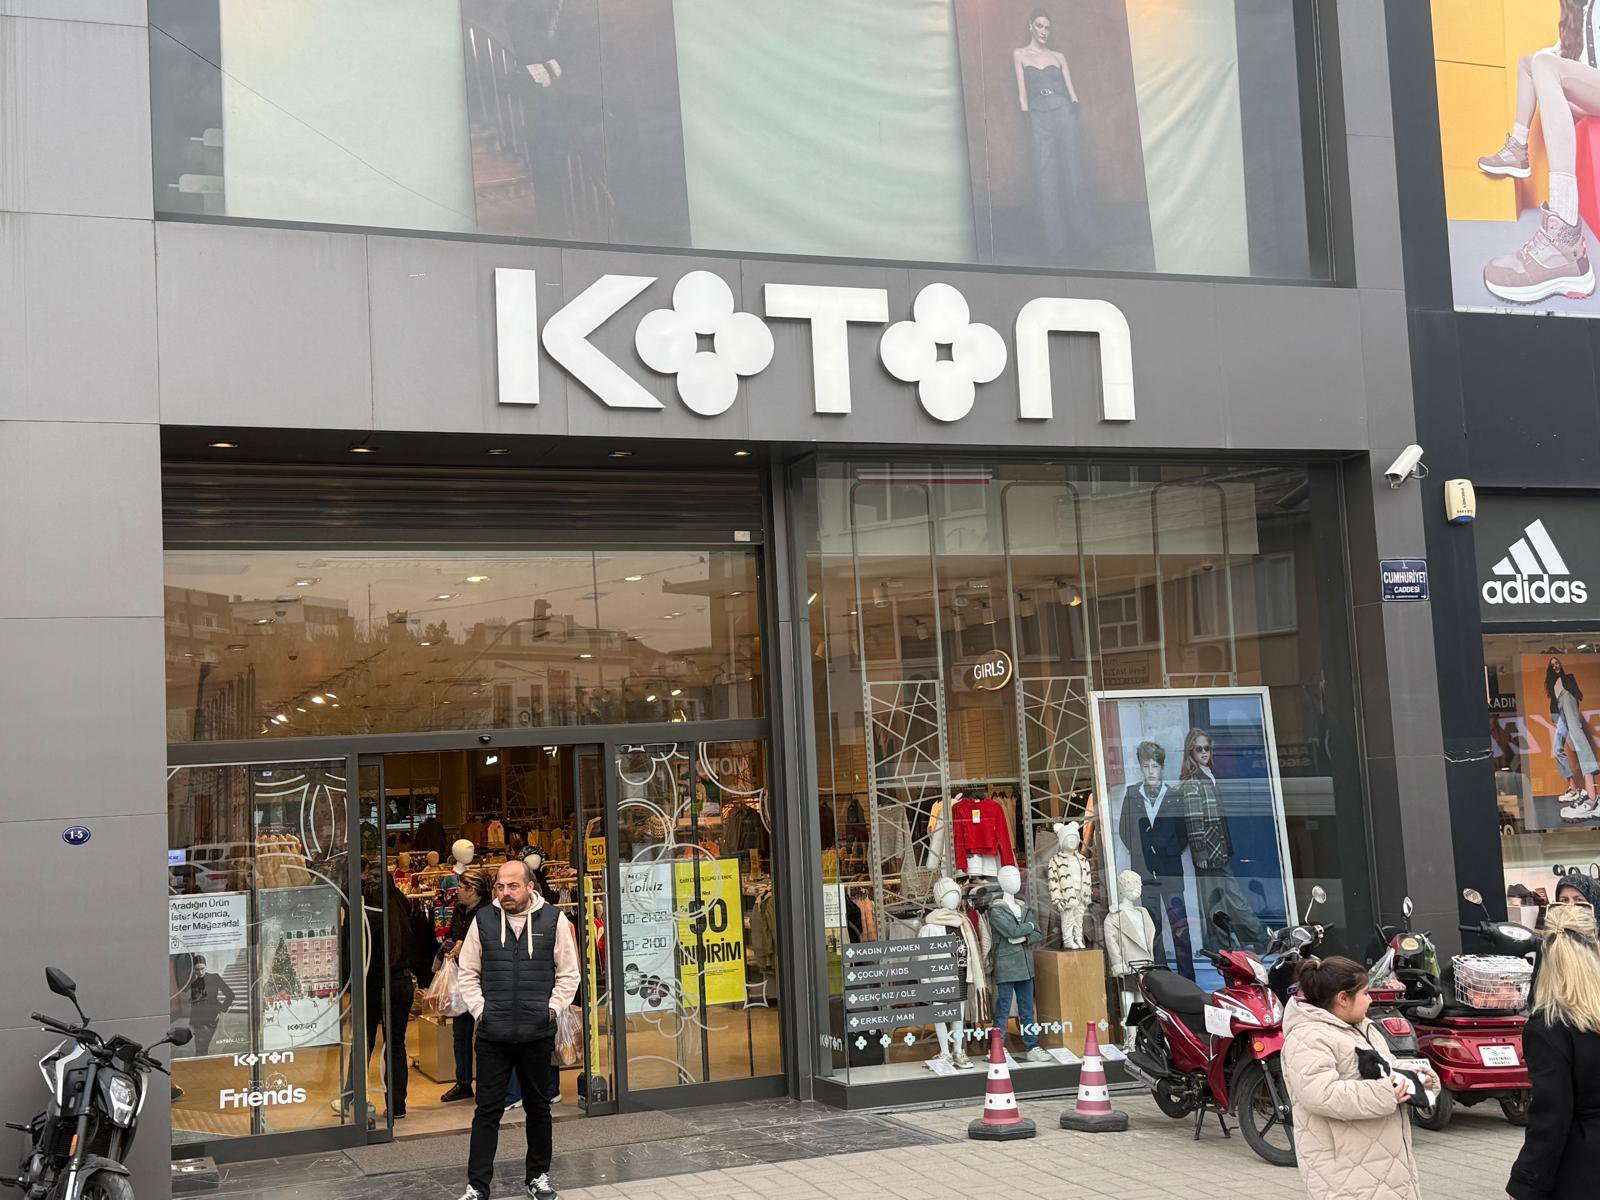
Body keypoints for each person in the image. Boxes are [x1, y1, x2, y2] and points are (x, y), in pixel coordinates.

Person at [456, 858, 579, 1200]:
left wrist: (551, 1010)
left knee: (538, 1108)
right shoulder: (483, 920)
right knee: (486, 1112)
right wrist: (481, 1012)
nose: (505, 892)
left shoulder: (554, 920)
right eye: (500, 886)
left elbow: (569, 973)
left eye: (513, 886)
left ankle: (538, 1176)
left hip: (536, 1033)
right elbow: (467, 971)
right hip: (493, 1035)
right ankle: (477, 1186)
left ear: (530, 887)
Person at [1477, 2, 1600, 303]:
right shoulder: (1580, 12)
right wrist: (1544, 63)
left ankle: (1564, 232)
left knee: (1544, 65)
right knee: (1529, 63)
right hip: (1591, 92)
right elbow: (1555, 58)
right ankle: (1518, 148)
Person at [1282, 955, 1430, 1200]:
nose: (1370, 1000)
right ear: (1343, 998)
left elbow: (1387, 1066)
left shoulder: (1361, 1026)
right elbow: (1320, 1094)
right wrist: (1385, 1092)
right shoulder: (1308, 1037)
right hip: (1345, 1171)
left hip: (1382, 1161)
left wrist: (1416, 1076)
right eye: (1365, 993)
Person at [1507, 898, 1600, 1200]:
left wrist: (1525, 1184)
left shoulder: (1549, 1026)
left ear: (1545, 951)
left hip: (1582, 1169)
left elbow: (1552, 1116)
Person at [1178, 727, 1267, 950]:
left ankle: (1252, 939)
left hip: (1219, 850)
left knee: (1229, 899)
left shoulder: (1208, 774)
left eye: (1207, 748)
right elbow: (1193, 820)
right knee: (1218, 903)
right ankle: (1247, 941)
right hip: (1208, 852)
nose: (1204, 752)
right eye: (1199, 749)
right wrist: (1200, 852)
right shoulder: (1192, 781)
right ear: (1191, 752)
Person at [1117, 740, 1193, 979]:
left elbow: (1183, 832)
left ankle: (1187, 977)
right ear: (1140, 767)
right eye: (1146, 766)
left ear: (1162, 768)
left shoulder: (1174, 795)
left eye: (1155, 766)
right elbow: (1124, 830)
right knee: (1152, 928)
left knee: (1180, 927)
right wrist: (1142, 851)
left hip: (1170, 872)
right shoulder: (1132, 794)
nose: (1150, 771)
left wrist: (1168, 850)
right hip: (1145, 873)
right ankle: (1162, 977)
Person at [1013, 7, 1083, 263]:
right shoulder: (1020, 54)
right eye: (1040, 26)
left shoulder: (1058, 56)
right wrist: (1026, 117)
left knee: (1073, 172)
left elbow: (1072, 91)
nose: (1044, 32)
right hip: (1038, 116)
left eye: (1047, 27)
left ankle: (1083, 239)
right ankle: (1055, 245)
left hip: (1064, 112)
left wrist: (1073, 108)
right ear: (1030, 26)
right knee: (1046, 177)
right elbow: (1022, 93)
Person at [364, 871, 416, 1119]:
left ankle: (352, 1098)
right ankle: (397, 1105)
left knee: (365, 1042)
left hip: (377, 982)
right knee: (395, 1044)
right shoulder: (402, 904)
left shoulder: (369, 913)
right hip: (402, 982)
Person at [441, 870, 491, 1103]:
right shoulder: (460, 909)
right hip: (461, 978)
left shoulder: (489, 913)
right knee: (460, 1033)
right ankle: (463, 1082)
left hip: (484, 981)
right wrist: (452, 945)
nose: (457, 891)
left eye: (461, 887)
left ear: (473, 890)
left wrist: (466, 945)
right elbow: (452, 934)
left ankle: (486, 1082)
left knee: (484, 1034)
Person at [1543, 656, 1599, 821]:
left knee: (1578, 737)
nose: (1556, 666)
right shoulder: (1552, 685)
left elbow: (1575, 694)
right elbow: (1554, 704)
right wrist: (1556, 718)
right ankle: (1574, 789)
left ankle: (1592, 797)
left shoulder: (1568, 678)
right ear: (1550, 669)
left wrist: (1572, 712)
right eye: (1553, 665)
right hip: (1561, 711)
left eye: (1557, 663)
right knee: (1557, 749)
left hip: (1567, 698)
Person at [186, 956, 235, 1056]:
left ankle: (202, 1062)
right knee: (200, 1048)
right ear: (194, 970)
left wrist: (222, 1009)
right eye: (197, 969)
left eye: (202, 968)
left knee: (203, 1046)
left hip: (212, 1017)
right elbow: (194, 1004)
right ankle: (201, 1062)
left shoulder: (215, 977)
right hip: (198, 1020)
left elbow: (230, 995)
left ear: (206, 967)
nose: (200, 972)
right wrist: (191, 1022)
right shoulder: (194, 984)